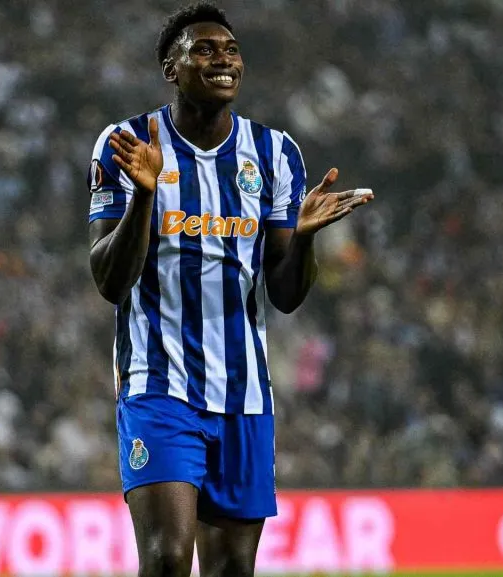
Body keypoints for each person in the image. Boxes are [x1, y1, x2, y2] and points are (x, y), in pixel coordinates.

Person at [87, 3, 373, 576]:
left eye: (231, 50)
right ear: (171, 67)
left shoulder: (274, 155)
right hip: (158, 387)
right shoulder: (125, 144)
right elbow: (109, 280)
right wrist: (146, 195)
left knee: (231, 570)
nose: (224, 60)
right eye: (205, 50)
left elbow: (286, 293)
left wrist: (304, 240)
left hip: (244, 396)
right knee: (168, 558)